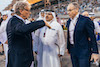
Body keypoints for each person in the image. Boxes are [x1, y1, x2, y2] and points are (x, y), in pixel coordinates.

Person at [6, 1, 51, 67]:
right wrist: (42, 22)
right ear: (21, 11)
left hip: (23, 59)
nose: (29, 13)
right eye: (28, 10)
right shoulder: (14, 21)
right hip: (18, 60)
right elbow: (22, 29)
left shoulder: (20, 21)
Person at [66, 2, 99, 67]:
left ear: (77, 9)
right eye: (67, 10)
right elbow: (69, 35)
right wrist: (68, 47)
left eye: (70, 10)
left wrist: (95, 52)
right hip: (73, 50)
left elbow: (92, 36)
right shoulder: (69, 21)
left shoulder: (85, 20)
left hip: (84, 51)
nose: (68, 12)